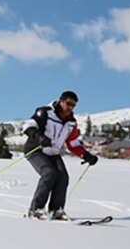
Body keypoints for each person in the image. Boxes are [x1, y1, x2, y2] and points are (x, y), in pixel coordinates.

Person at [22, 90, 98, 220]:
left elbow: (72, 144)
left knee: (63, 177)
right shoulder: (45, 112)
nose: (70, 107)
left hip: (53, 152)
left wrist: (86, 155)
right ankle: (35, 209)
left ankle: (56, 210)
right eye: (68, 103)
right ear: (61, 101)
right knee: (49, 173)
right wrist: (39, 137)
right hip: (36, 150)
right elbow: (28, 126)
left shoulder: (71, 123)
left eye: (73, 105)